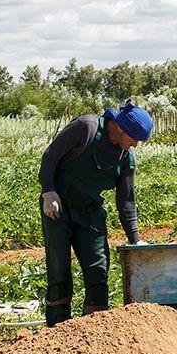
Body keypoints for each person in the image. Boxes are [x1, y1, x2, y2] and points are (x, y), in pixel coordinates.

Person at [38, 101, 153, 326]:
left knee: (98, 270)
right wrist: (48, 191)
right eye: (134, 139)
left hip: (90, 212)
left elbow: (126, 201)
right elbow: (50, 156)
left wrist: (135, 240)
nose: (135, 145)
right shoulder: (86, 128)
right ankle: (56, 330)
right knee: (59, 269)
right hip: (58, 207)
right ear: (121, 128)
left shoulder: (125, 157)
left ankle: (94, 330)